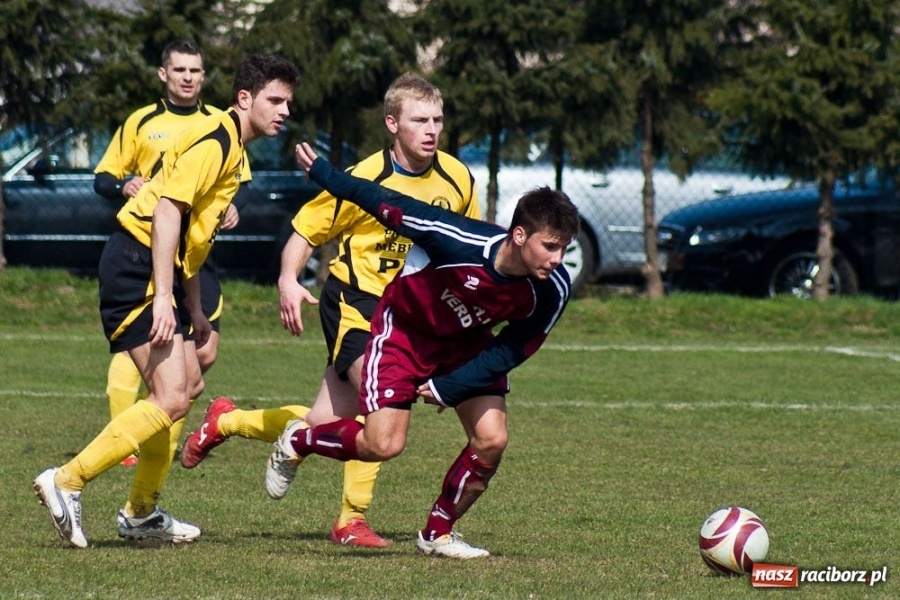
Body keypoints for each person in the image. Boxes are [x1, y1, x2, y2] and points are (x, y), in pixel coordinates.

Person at [180, 73, 481, 548]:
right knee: (380, 403)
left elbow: (465, 245)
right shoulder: (365, 178)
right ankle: (351, 520)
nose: (431, 129)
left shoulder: (457, 177)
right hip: (356, 304)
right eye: (419, 119)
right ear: (392, 124)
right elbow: (305, 231)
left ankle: (227, 420)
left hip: (412, 317)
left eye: (437, 120)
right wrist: (287, 280)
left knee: (323, 423)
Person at [33, 53, 300, 549]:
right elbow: (166, 213)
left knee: (188, 384)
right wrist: (161, 298)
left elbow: (193, 238)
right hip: (136, 266)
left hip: (161, 273)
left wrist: (193, 307)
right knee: (171, 395)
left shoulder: (235, 151)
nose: (284, 111)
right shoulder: (217, 141)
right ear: (245, 98)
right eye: (275, 100)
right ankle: (66, 480)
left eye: (289, 102)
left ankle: (140, 512)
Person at [263, 141, 578, 559]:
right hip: (403, 335)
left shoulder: (552, 290)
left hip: (466, 345)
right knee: (384, 445)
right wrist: (324, 173)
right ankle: (300, 441)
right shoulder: (458, 239)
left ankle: (438, 533)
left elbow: (513, 348)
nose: (557, 259)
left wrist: (451, 386)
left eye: (564, 249)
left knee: (492, 439)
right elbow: (382, 201)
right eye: (550, 247)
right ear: (519, 235)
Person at [93, 39, 250, 468]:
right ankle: (134, 447)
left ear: (203, 76)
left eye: (194, 71)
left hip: (196, 254)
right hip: (150, 245)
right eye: (179, 70)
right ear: (164, 74)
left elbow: (237, 186)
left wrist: (234, 205)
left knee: (202, 357)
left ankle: (151, 433)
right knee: (159, 365)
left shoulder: (222, 125)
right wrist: (124, 184)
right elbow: (103, 177)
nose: (187, 77)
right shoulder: (142, 121)